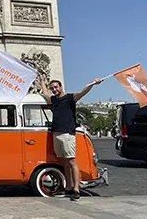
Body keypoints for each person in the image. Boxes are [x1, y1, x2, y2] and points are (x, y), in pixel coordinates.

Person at [37, 73, 102, 201]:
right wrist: (41, 80)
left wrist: (93, 84)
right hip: (56, 133)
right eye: (53, 88)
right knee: (64, 162)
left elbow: (82, 92)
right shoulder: (54, 100)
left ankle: (76, 189)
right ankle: (68, 187)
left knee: (72, 161)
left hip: (67, 133)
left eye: (56, 87)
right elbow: (45, 93)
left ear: (61, 87)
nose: (54, 90)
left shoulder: (69, 98)